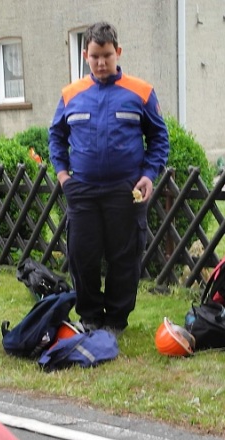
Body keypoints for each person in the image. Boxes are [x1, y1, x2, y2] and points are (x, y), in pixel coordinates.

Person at [48, 22, 169, 339]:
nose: (101, 63)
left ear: (118, 52)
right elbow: (56, 138)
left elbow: (159, 138)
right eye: (94, 56)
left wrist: (148, 175)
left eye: (106, 55)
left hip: (125, 190)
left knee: (124, 257)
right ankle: (89, 317)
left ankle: (116, 320)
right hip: (83, 190)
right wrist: (63, 176)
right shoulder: (70, 94)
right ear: (85, 55)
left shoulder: (140, 92)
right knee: (82, 255)